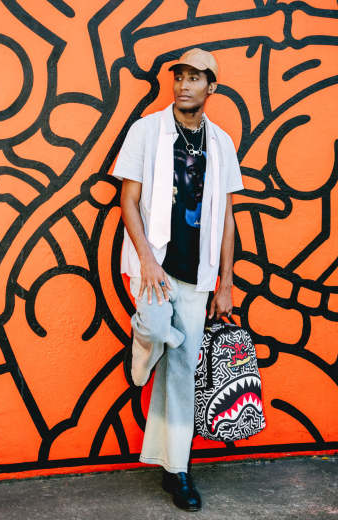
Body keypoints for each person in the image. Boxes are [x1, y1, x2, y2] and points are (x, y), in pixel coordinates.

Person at [113, 48, 244, 512]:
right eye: (180, 77)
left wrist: (225, 282)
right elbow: (128, 201)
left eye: (195, 78)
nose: (184, 85)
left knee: (182, 372)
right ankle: (145, 351)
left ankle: (176, 468)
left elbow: (226, 215)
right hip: (156, 265)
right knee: (153, 328)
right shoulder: (147, 131)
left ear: (211, 87)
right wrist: (147, 261)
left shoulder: (222, 143)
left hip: (198, 272)